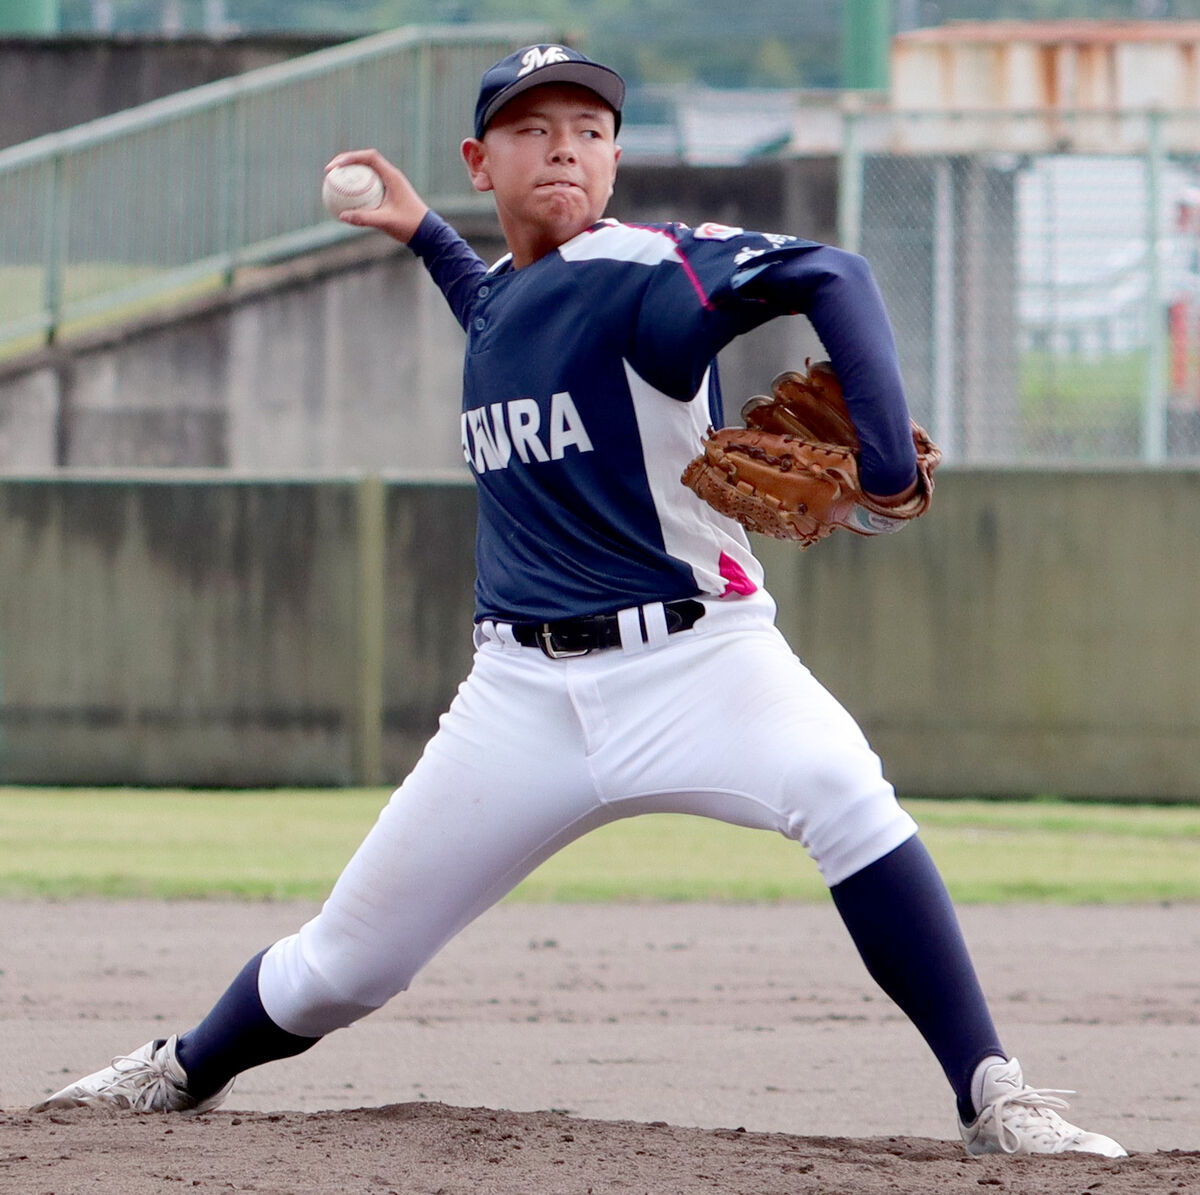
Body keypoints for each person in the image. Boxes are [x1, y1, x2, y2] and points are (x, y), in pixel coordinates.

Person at [32, 44, 1125, 1159]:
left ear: (613, 163)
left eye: (591, 130)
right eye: (532, 127)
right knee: (345, 965)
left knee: (844, 792)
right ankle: (177, 1068)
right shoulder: (507, 300)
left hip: (700, 663)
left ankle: (994, 1092)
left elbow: (834, 275)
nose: (565, 144)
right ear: (480, 158)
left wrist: (886, 466)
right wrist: (422, 233)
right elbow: (499, 309)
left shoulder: (644, 273)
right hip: (519, 697)